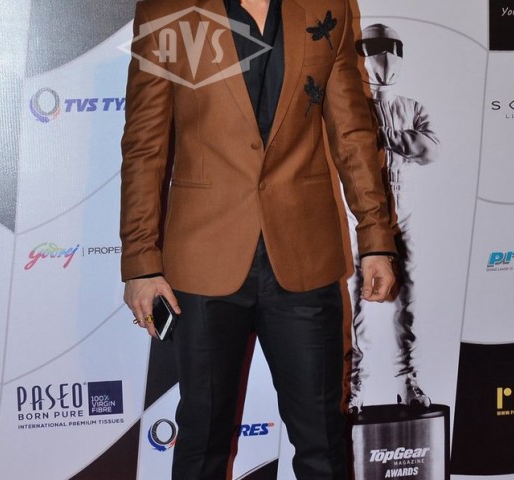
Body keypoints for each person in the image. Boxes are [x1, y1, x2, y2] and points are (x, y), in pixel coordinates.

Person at [120, 1, 396, 479]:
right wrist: (141, 262)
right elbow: (145, 146)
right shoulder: (168, 10)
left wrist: (375, 236)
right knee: (202, 441)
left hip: (305, 255)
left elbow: (351, 131)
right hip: (204, 259)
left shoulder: (326, 6)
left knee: (323, 440)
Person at [348, 23, 440, 414]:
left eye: (390, 47)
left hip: (406, 216)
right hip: (358, 218)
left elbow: (431, 149)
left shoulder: (412, 107)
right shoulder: (349, 105)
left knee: (410, 301)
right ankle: (353, 386)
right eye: (374, 47)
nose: (383, 56)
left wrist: (389, 136)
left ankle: (408, 379)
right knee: (355, 303)